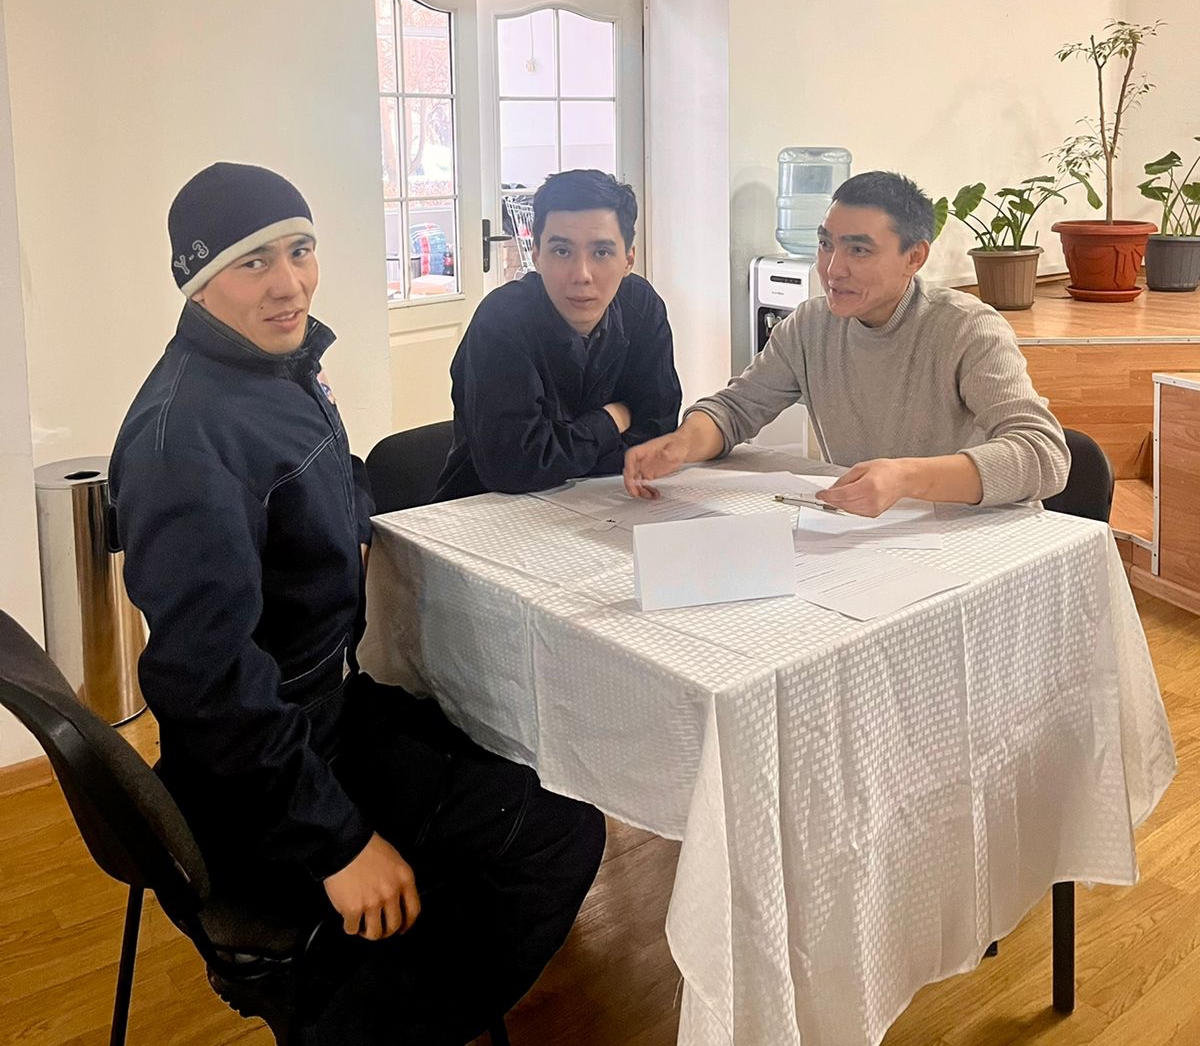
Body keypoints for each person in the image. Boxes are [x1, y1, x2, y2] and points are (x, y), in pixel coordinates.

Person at [110, 163, 605, 1044]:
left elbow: (330, 484)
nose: (290, 283)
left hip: (325, 708)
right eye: (254, 262)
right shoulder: (186, 440)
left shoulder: (275, 371)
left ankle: (377, 983)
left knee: (528, 751)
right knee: (555, 838)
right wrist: (336, 843)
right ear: (197, 279)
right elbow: (206, 684)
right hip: (272, 768)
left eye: (300, 251)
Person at [624, 169, 1069, 515]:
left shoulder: (967, 328)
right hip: (868, 536)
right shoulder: (810, 325)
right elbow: (735, 410)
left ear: (915, 257)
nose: (833, 269)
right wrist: (681, 445)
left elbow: (1044, 454)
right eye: (825, 245)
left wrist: (906, 478)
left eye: (858, 250)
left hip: (974, 535)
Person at [435, 169, 681, 500]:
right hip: (488, 508)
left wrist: (559, 450)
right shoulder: (502, 320)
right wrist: (611, 420)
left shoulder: (641, 306)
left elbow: (657, 433)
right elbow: (515, 466)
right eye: (562, 251)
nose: (581, 275)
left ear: (628, 259)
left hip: (607, 500)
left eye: (601, 252)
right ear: (537, 255)